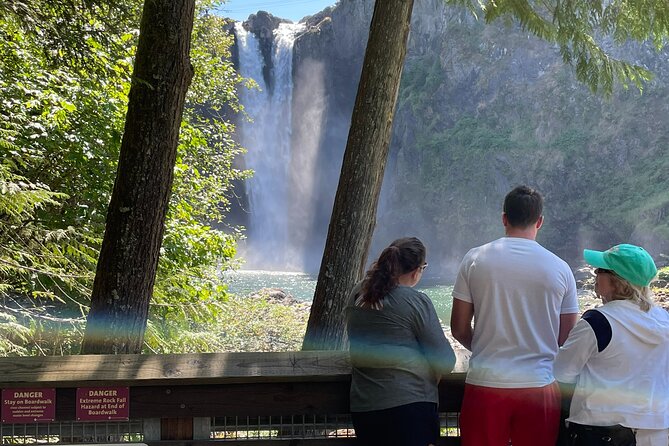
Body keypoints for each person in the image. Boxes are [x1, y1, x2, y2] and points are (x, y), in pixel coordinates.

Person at [450, 185, 579, 446]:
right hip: (539, 385)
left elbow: (459, 327)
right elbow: (566, 334)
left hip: (486, 384)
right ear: (539, 221)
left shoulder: (474, 259)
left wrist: (489, 347)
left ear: (504, 218)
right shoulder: (560, 268)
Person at [554, 244, 669, 446]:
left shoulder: (597, 322)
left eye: (600, 271)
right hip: (655, 430)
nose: (595, 274)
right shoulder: (664, 320)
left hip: (601, 431)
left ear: (617, 281)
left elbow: (562, 372)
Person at [347, 236, 456, 446]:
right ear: (416, 271)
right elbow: (445, 361)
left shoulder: (357, 293)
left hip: (365, 409)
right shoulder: (415, 301)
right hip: (410, 408)